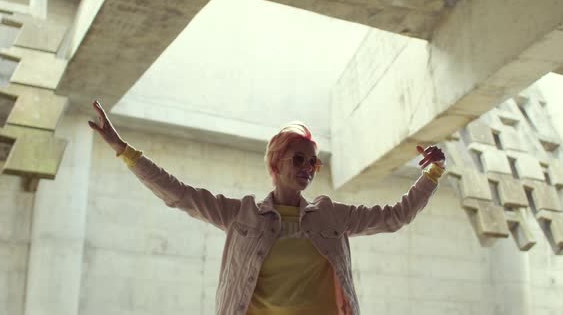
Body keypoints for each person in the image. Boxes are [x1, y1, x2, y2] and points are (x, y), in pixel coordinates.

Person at [88, 99, 446, 315]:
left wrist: (433, 172)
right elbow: (178, 194)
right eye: (300, 159)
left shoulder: (330, 215)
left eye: (313, 163)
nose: (308, 168)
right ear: (276, 164)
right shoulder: (242, 216)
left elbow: (396, 216)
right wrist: (123, 149)